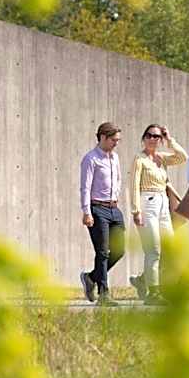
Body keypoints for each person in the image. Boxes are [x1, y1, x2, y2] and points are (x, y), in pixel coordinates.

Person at [129, 124, 187, 305]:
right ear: (143, 138)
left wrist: (170, 139)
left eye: (157, 136)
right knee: (153, 250)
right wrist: (136, 210)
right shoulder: (140, 159)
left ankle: (145, 280)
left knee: (169, 248)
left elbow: (182, 157)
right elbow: (134, 185)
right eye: (149, 135)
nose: (153, 139)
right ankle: (153, 293)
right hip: (148, 202)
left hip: (163, 203)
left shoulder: (162, 158)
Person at [79, 123, 125, 305]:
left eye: (118, 140)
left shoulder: (115, 158)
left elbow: (119, 179)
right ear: (103, 137)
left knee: (120, 250)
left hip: (114, 209)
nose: (116, 143)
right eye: (114, 140)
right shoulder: (91, 159)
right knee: (103, 252)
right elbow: (85, 187)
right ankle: (104, 294)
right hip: (97, 208)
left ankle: (91, 277)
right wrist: (86, 212)